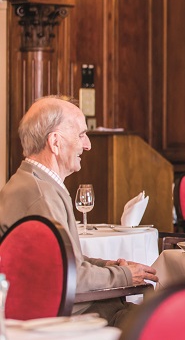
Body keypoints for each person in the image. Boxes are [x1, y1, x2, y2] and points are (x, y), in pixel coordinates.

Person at [0, 96, 158, 327]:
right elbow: (65, 276)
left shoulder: (36, 183)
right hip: (74, 319)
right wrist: (125, 275)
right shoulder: (40, 195)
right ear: (55, 142)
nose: (88, 145)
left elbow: (65, 262)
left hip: (86, 308)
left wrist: (107, 266)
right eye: (81, 134)